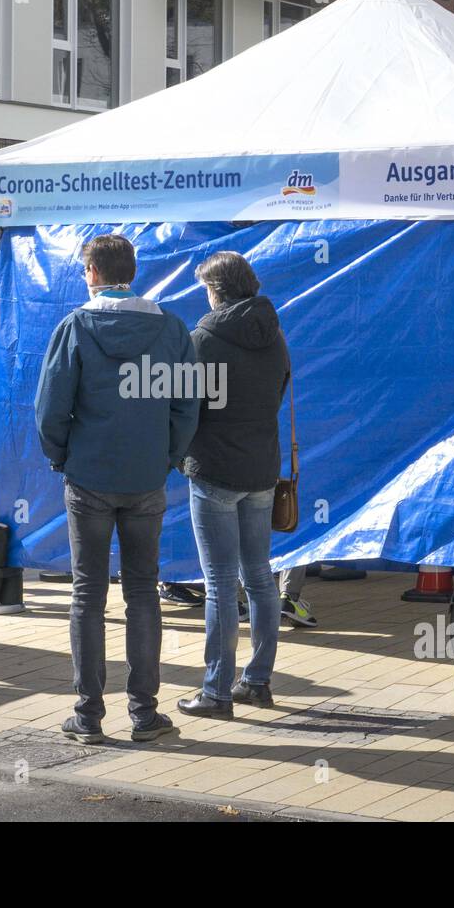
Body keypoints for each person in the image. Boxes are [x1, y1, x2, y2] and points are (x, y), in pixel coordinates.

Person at [35, 234, 199, 744]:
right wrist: (167, 456)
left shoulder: (75, 328)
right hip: (146, 478)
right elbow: (187, 405)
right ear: (132, 270)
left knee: (88, 594)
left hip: (88, 478)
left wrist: (62, 457)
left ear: (91, 272)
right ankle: (144, 714)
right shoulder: (171, 328)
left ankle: (88, 716)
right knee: (142, 593)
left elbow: (49, 408)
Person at [176, 252, 290, 719]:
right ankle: (257, 682)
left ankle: (217, 691)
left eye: (206, 288)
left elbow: (185, 407)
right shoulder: (274, 334)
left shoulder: (203, 339)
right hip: (262, 470)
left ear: (217, 291)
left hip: (215, 471)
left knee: (221, 583)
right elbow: (279, 391)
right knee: (260, 577)